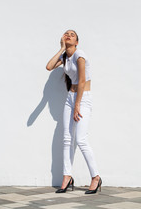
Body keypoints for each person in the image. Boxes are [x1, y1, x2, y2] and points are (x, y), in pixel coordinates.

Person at [46, 30, 102, 194]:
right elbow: (49, 66)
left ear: (77, 41)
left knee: (81, 139)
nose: (68, 35)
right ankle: (67, 176)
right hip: (70, 97)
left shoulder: (80, 54)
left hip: (82, 98)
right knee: (67, 138)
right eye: (65, 34)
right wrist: (62, 49)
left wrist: (77, 104)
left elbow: (83, 80)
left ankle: (95, 177)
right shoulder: (65, 57)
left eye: (72, 34)